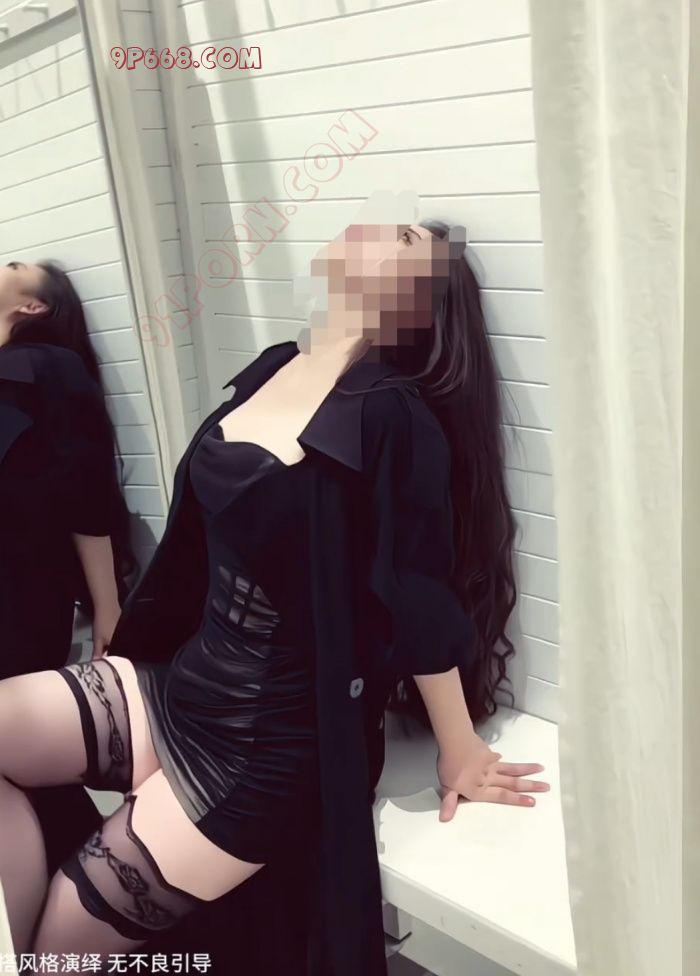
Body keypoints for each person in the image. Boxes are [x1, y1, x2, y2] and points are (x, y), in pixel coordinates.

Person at [0, 224, 549, 975]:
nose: (374, 227)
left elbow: (417, 594)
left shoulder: (395, 414)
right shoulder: (277, 367)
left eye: (404, 236)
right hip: (181, 683)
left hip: (264, 744)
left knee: (59, 949)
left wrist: (459, 749)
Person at [0, 259, 137, 908]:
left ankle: (105, 900)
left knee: (22, 763)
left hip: (21, 593)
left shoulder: (50, 368)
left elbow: (88, 494)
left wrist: (109, 607)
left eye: (14, 265)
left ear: (34, 307)